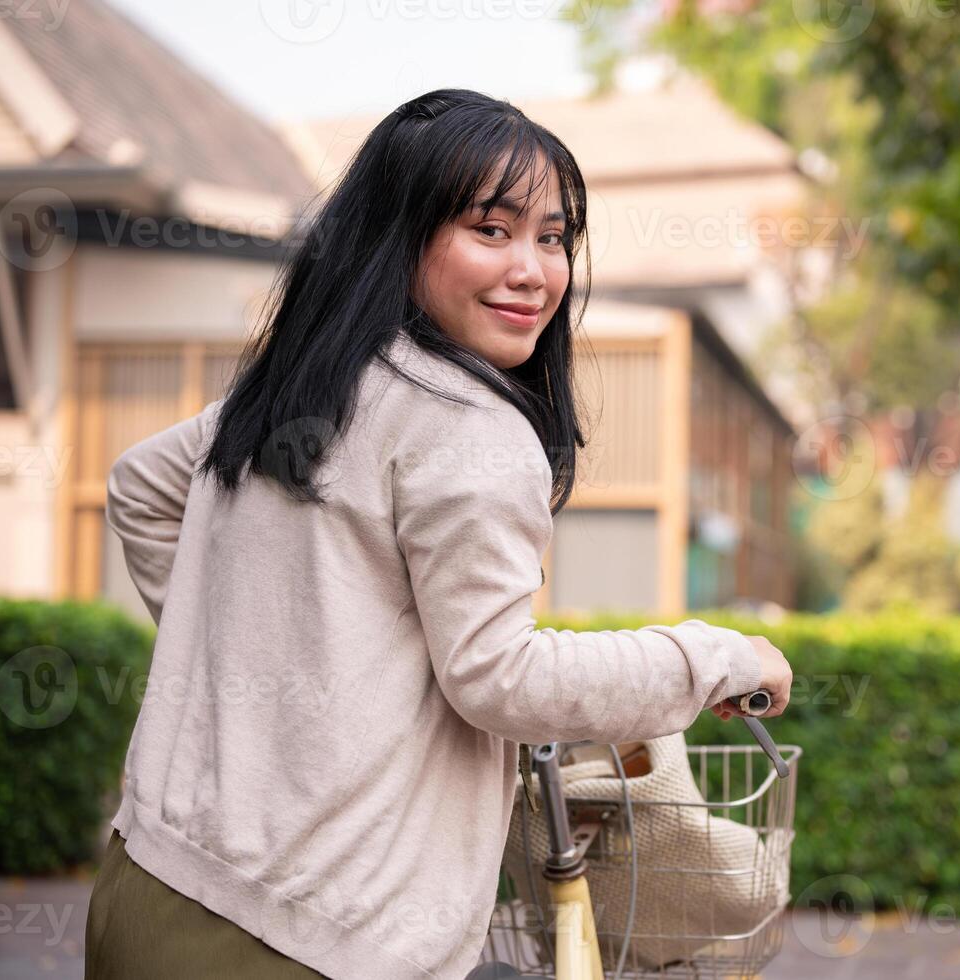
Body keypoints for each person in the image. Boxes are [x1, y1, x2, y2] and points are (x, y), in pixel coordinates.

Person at [84, 88, 793, 980]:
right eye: (490, 230)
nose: (534, 271)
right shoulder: (469, 426)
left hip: (146, 883)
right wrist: (714, 657)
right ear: (400, 236)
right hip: (311, 935)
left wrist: (263, 676)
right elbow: (500, 678)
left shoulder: (320, 383)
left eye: (553, 237)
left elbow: (140, 486)